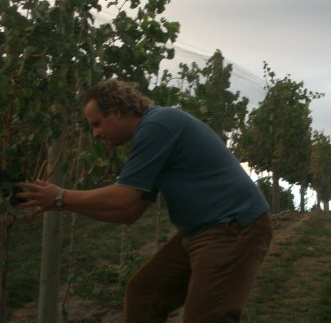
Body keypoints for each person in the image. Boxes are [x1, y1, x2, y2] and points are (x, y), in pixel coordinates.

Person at [18, 78, 273, 323]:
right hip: (200, 232)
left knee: (207, 318)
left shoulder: (158, 125)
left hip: (234, 227)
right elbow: (129, 213)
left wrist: (62, 196)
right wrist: (64, 203)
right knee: (144, 296)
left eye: (97, 124)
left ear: (116, 112)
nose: (94, 134)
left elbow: (122, 197)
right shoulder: (151, 134)